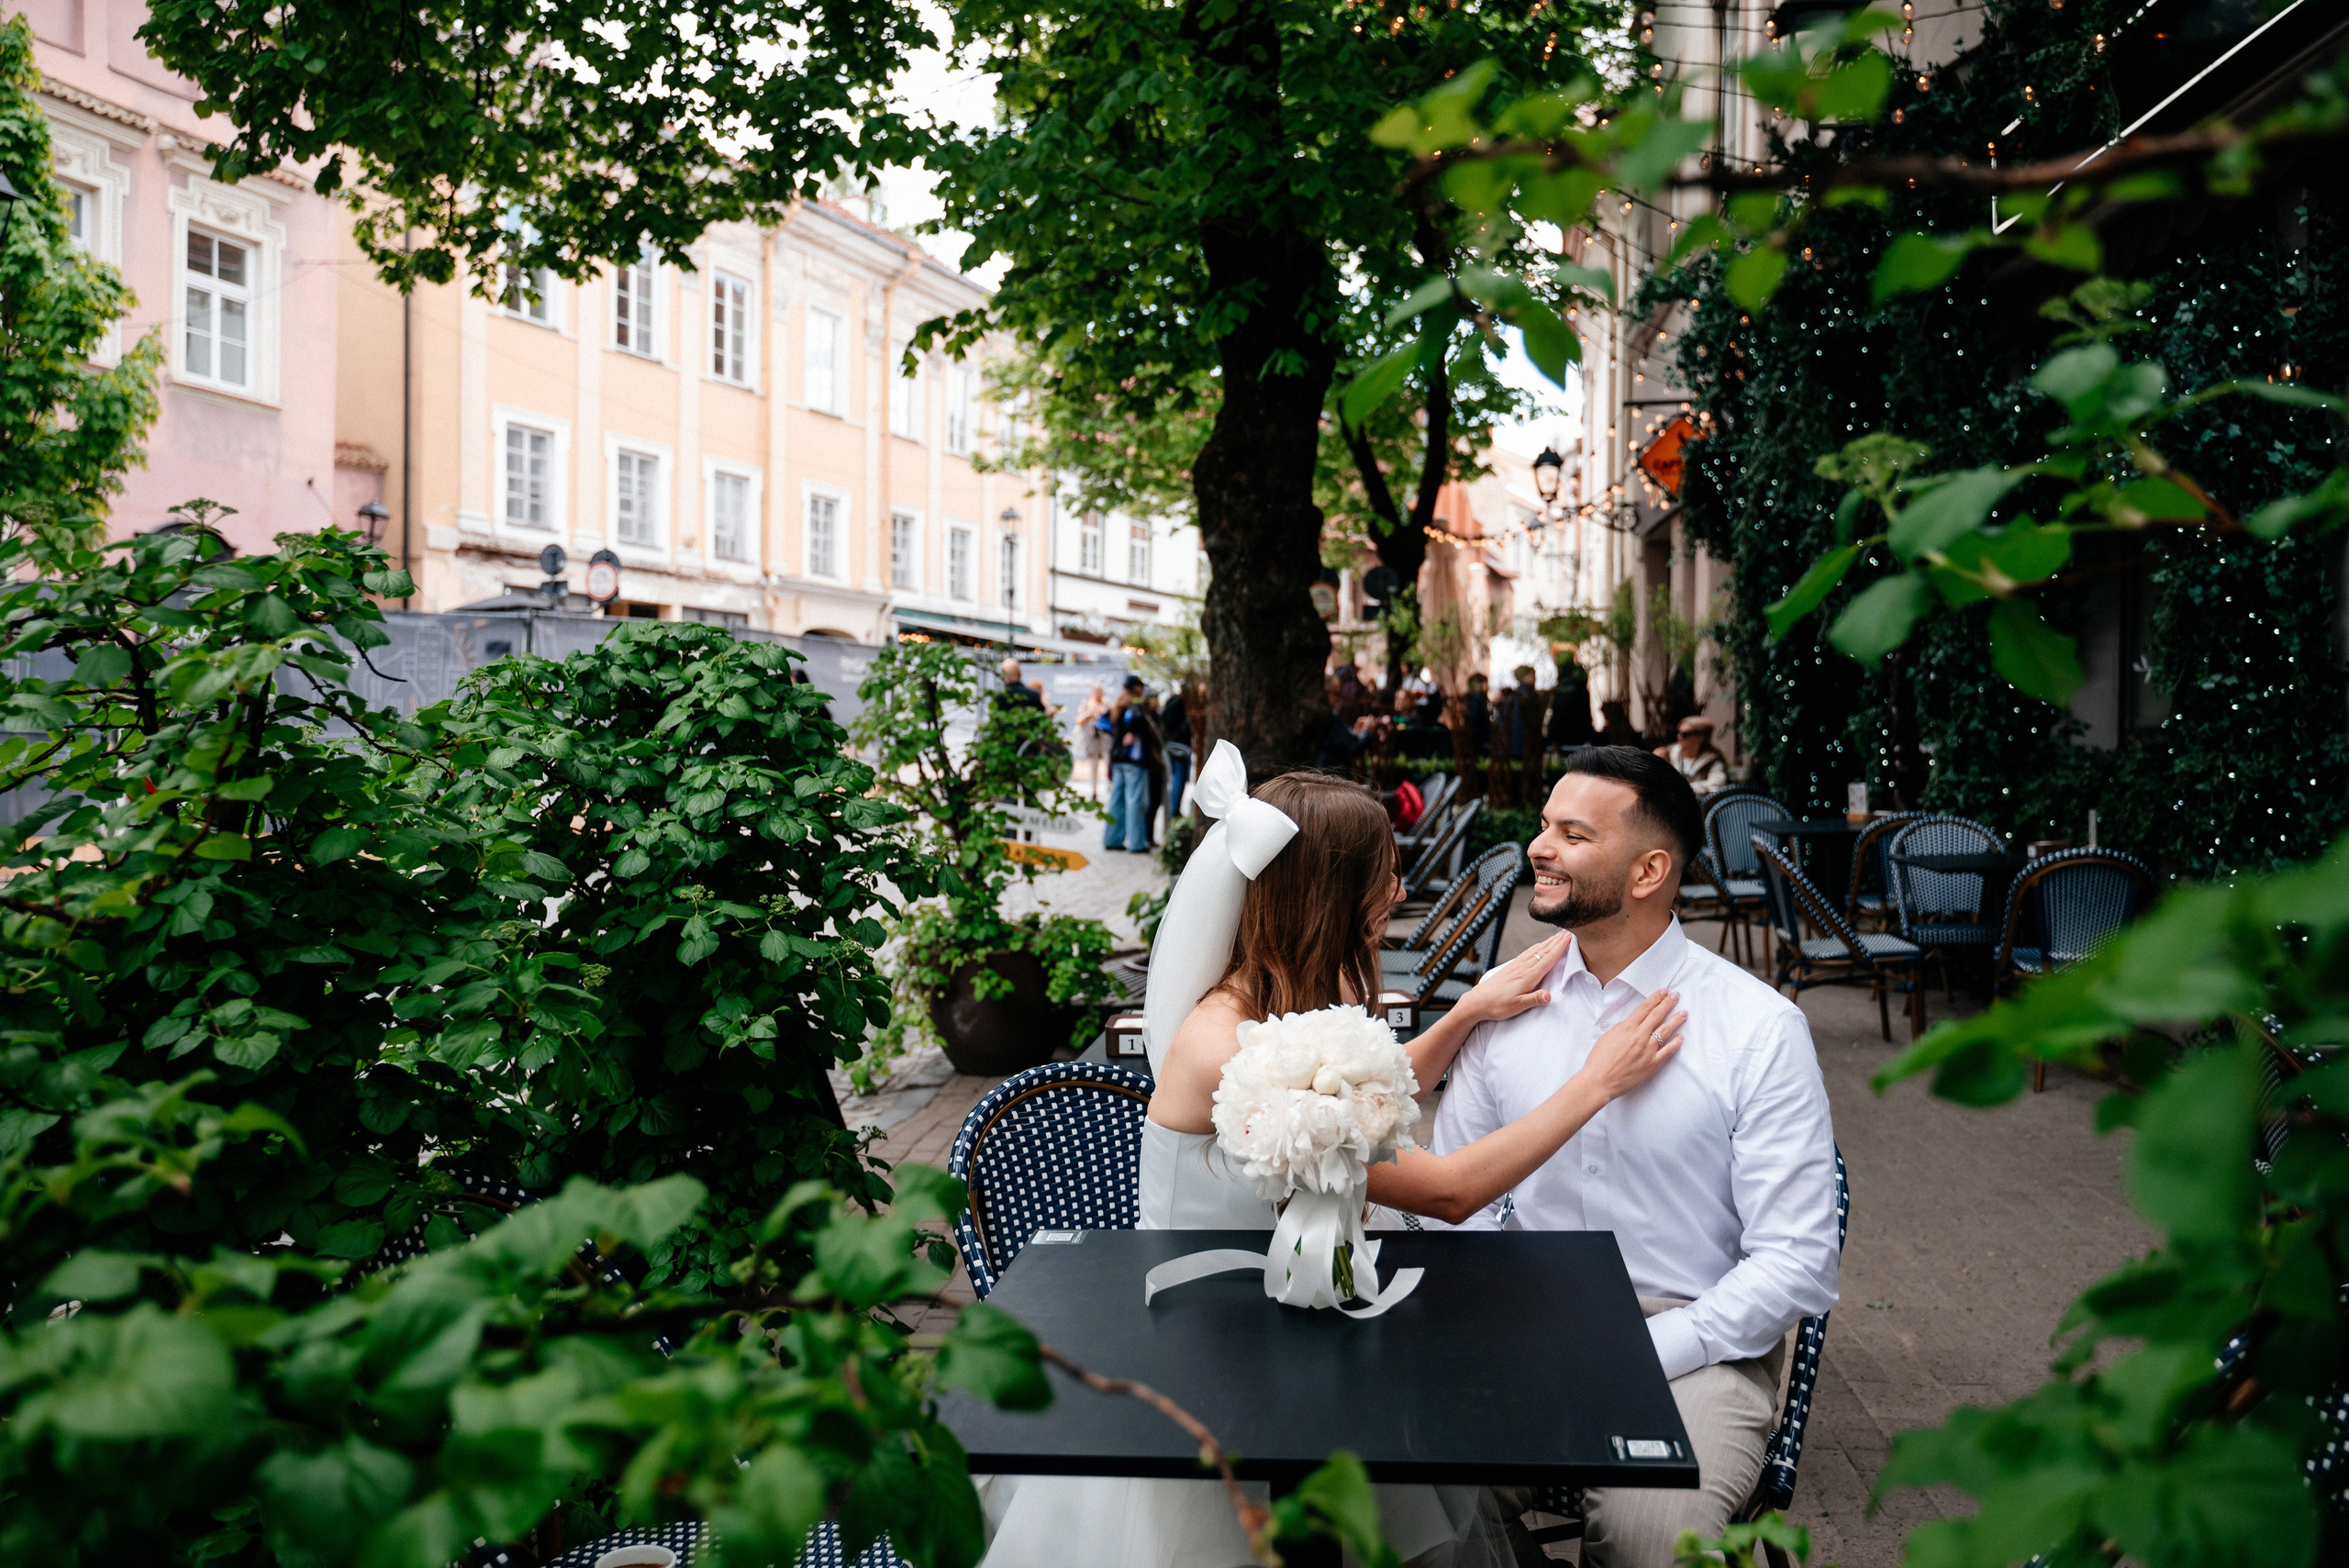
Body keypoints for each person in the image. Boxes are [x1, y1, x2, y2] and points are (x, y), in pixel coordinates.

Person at [982, 749, 1687, 1568]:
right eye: (1381, 871)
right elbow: (1449, 1191)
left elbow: (1360, 1096)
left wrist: (1466, 1013)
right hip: (1221, 1361)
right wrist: (1596, 1083)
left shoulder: (1282, 997)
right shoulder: (1226, 1045)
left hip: (1298, 1324)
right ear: (1328, 891)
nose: (1396, 888)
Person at [1426, 748, 1841, 1568]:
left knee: (1657, 1537)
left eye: (1573, 834)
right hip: (1522, 1327)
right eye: (1544, 825)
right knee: (1398, 1491)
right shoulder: (1506, 1005)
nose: (1539, 847)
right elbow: (1453, 1198)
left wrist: (1656, 1346)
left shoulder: (1757, 1028)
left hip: (1695, 1346)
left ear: (1650, 870)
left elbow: (1798, 1261)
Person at [1102, 675, 1155, 853]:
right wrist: (1134, 733)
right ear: (1137, 688)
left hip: (1118, 758)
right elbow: (1137, 721)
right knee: (1135, 801)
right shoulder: (1135, 707)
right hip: (1134, 760)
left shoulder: (1117, 706)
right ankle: (1136, 843)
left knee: (1116, 800)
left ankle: (1112, 839)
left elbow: (1102, 722)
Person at [1653, 716, 1731, 796]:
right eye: (1679, 733)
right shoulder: (1668, 754)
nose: (1679, 737)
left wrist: (1688, 788)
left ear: (1700, 738)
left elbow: (1717, 783)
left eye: (1685, 734)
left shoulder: (1712, 760)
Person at [1548, 659, 1596, 753]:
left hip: (1564, 737)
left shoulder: (1565, 689)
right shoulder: (1582, 689)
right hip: (1581, 736)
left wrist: (1553, 736)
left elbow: (1560, 713)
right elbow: (1586, 714)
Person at [1161, 685, 1193, 817]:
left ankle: (1174, 810)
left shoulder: (1172, 702)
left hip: (1174, 745)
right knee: (1179, 778)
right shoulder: (1179, 703)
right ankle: (1174, 811)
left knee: (1177, 778)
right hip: (1180, 747)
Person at [1074, 683, 1111, 798]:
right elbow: (1079, 720)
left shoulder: (1107, 703)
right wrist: (1089, 713)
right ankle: (1094, 790)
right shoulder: (1086, 703)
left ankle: (1110, 785)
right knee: (1093, 764)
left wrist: (1105, 707)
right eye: (1096, 691)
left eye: (1100, 691)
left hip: (1105, 737)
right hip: (1091, 737)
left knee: (1108, 761)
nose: (1098, 693)